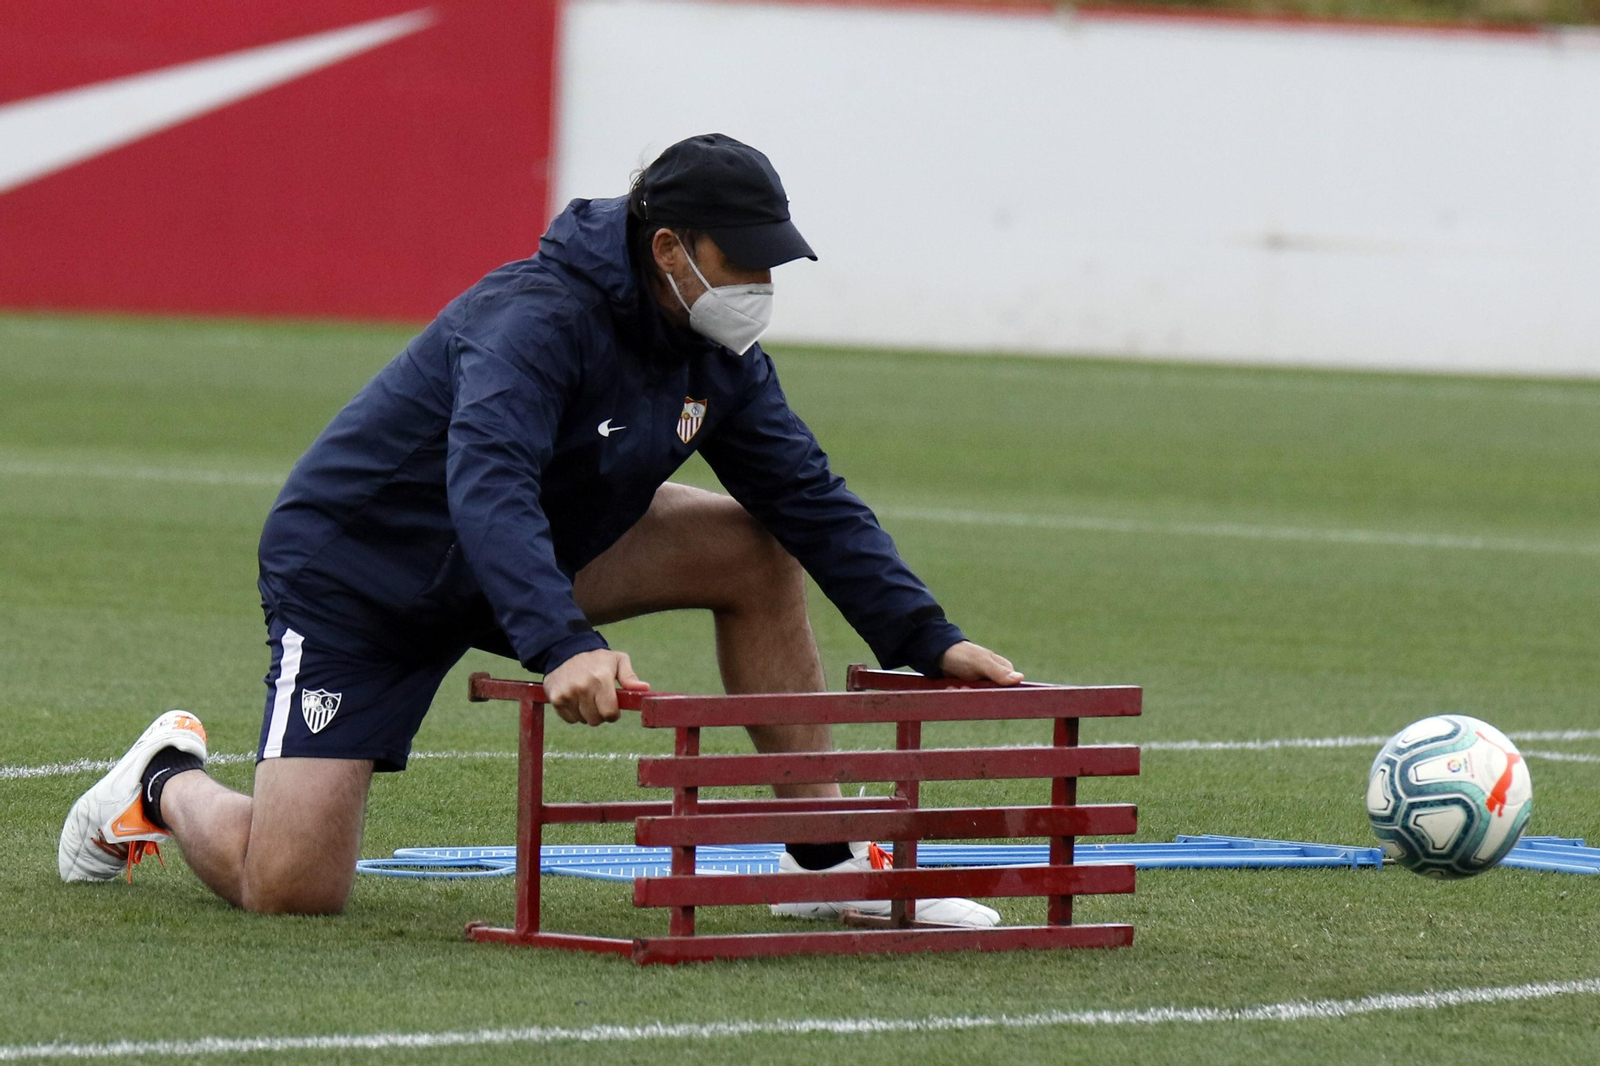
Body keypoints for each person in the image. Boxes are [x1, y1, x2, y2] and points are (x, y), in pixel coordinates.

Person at [58, 133, 1022, 926]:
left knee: (751, 544)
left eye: (775, 258)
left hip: (539, 550)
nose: (764, 280)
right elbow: (487, 482)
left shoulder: (716, 350)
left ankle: (827, 858)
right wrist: (561, 641)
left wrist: (927, 636)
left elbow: (807, 494)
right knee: (293, 889)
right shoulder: (536, 317)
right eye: (747, 259)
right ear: (669, 250)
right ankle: (164, 781)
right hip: (364, 577)